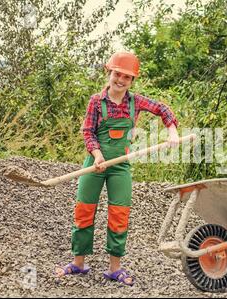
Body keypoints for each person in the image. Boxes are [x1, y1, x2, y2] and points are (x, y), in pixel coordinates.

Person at [55, 52, 180, 286]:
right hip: (94, 165)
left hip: (120, 167)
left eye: (127, 77)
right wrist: (97, 154)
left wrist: (172, 130)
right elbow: (88, 132)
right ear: (109, 73)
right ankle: (78, 264)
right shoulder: (96, 101)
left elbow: (163, 109)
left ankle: (115, 268)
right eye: (117, 74)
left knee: (119, 216)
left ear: (132, 81)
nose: (120, 80)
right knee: (83, 211)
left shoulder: (136, 102)